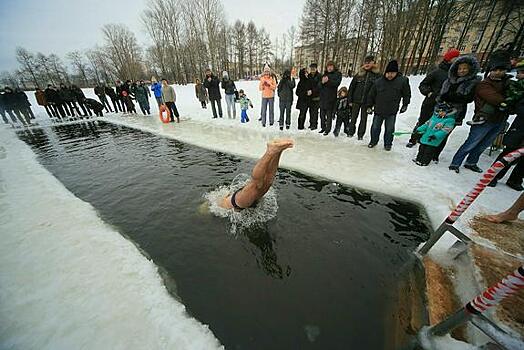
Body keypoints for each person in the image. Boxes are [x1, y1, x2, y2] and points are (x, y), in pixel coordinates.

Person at [449, 54, 512, 173]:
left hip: (499, 119)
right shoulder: (484, 84)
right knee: (471, 143)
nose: (498, 72)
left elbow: (513, 100)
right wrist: (509, 99)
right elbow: (496, 99)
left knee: (484, 144)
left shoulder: (509, 84)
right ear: (490, 71)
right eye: (495, 70)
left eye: (501, 70)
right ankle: (455, 163)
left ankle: (471, 162)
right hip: (483, 120)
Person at [218, 139, 294, 210]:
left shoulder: (216, 204)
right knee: (268, 181)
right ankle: (278, 152)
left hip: (235, 203)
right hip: (243, 201)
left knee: (256, 184)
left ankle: (270, 151)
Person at [406, 48, 460, 148]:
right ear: (449, 59)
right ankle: (413, 139)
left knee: (440, 126)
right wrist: (429, 93)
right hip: (431, 103)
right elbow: (423, 85)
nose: (457, 59)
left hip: (445, 106)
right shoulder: (437, 72)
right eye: (455, 57)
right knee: (423, 121)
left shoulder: (457, 74)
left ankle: (430, 143)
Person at [431, 55, 481, 162]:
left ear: (470, 70)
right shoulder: (449, 80)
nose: (461, 71)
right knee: (434, 130)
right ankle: (428, 152)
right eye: (459, 68)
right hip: (441, 110)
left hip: (455, 113)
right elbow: (441, 95)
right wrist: (441, 99)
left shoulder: (472, 82)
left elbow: (467, 98)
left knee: (444, 133)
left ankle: (435, 154)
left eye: (464, 68)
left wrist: (450, 96)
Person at [488, 62, 524, 191]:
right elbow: (518, 107)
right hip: (521, 128)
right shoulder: (519, 88)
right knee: (509, 152)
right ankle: (493, 176)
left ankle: (515, 179)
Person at [367, 60, 411, 150]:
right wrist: (369, 106)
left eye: (392, 73)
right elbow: (371, 95)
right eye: (388, 73)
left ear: (396, 73)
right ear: (385, 72)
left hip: (392, 110)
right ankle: (373, 141)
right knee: (375, 128)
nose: (390, 75)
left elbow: (407, 94)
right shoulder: (378, 82)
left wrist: (405, 105)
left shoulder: (402, 81)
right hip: (379, 109)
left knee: (390, 129)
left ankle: (388, 144)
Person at [348, 55, 381, 139]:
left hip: (367, 102)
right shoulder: (359, 74)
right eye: (366, 62)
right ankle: (350, 132)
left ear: (373, 63)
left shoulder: (377, 75)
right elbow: (352, 87)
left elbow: (378, 91)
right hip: (356, 100)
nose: (367, 64)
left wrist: (374, 103)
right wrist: (350, 100)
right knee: (353, 118)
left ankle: (360, 135)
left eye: (369, 62)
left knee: (363, 119)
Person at [319, 61, 343, 135]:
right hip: (323, 98)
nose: (329, 68)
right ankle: (323, 127)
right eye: (328, 66)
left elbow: (336, 83)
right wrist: (322, 83)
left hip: (330, 98)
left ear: (334, 67)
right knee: (322, 115)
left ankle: (327, 129)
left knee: (329, 115)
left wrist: (328, 81)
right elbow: (319, 86)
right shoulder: (324, 75)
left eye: (331, 66)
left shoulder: (337, 74)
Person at [306, 63, 321, 130]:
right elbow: (307, 84)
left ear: (316, 68)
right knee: (311, 111)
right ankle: (311, 123)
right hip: (309, 97)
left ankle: (314, 125)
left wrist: (312, 91)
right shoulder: (309, 76)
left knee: (315, 112)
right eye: (311, 68)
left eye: (314, 68)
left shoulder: (319, 76)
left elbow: (319, 86)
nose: (312, 69)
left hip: (317, 97)